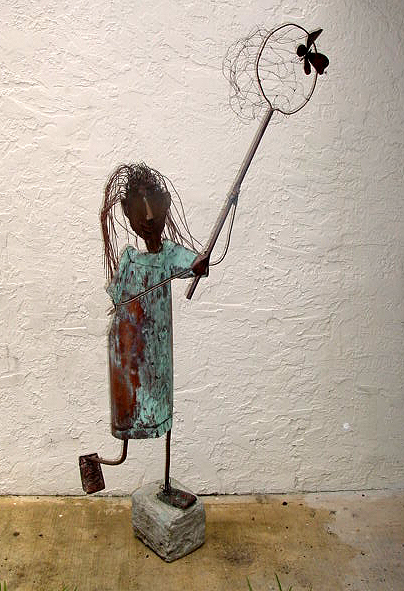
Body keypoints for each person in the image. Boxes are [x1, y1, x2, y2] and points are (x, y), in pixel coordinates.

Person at [80, 163, 208, 507]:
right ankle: (111, 459)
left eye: (155, 207)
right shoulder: (129, 260)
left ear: (166, 205)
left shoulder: (170, 255)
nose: (149, 218)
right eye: (140, 211)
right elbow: (117, 299)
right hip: (128, 350)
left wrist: (199, 264)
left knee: (163, 409)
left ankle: (165, 483)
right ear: (127, 213)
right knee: (128, 417)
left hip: (158, 350)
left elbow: (195, 264)